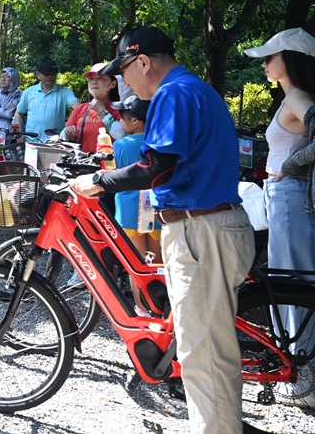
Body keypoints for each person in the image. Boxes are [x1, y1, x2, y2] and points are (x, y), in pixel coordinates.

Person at [71, 26, 254, 434]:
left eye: (124, 73)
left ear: (143, 62)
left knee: (202, 354)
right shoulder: (194, 89)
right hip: (207, 224)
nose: (123, 83)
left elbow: (159, 165)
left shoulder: (174, 93)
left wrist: (100, 182)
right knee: (205, 349)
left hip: (201, 228)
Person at [246, 28, 315, 408]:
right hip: (285, 197)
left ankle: (305, 383)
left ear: (290, 59)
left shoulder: (300, 98)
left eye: (270, 57)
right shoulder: (293, 98)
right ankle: (301, 375)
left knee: (295, 287)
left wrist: (290, 164)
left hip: (291, 197)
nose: (264, 64)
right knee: (289, 283)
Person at [110, 94, 161, 316]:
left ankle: (142, 309)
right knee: (157, 261)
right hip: (154, 206)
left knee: (137, 265)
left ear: (135, 120)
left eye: (122, 117)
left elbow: (110, 172)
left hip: (129, 210)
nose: (119, 121)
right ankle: (161, 306)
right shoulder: (159, 142)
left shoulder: (120, 145)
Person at [60, 62, 123, 153]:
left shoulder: (120, 109)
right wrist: (68, 134)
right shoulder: (81, 109)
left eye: (101, 78)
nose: (94, 82)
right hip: (84, 163)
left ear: (113, 84)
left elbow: (122, 135)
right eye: (91, 78)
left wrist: (102, 111)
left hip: (110, 164)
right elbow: (62, 134)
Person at [14, 59, 79, 140]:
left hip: (54, 143)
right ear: (38, 75)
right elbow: (19, 113)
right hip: (30, 142)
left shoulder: (65, 92)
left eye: (52, 74)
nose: (50, 77)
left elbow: (77, 106)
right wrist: (20, 132)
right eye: (46, 74)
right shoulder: (29, 92)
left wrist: (84, 110)